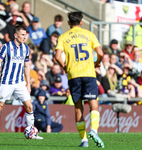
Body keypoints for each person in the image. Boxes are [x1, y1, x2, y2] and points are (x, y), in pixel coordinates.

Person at [55, 11, 104, 148]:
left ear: (69, 22)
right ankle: (94, 131)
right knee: (93, 104)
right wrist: (97, 62)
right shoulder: (89, 34)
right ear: (81, 22)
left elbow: (57, 56)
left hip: (74, 75)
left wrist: (65, 67)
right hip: (89, 74)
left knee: (78, 108)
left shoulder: (63, 37)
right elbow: (100, 53)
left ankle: (84, 141)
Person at [0, 25, 43, 140]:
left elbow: (27, 66)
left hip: (20, 83)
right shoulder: (5, 47)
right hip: (6, 82)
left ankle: (32, 132)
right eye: (22, 35)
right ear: (15, 35)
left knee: (29, 107)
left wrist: (28, 84)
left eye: (25, 35)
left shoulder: (26, 48)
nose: (24, 37)